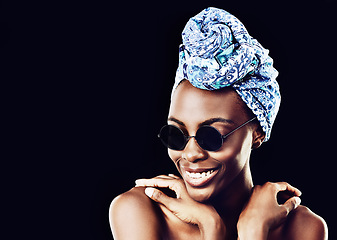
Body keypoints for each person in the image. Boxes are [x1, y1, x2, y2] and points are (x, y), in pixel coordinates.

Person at [109, 7, 328, 240]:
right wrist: (212, 228)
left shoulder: (302, 228)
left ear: (258, 133)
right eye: (176, 134)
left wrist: (254, 231)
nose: (191, 154)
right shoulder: (139, 210)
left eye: (211, 136)